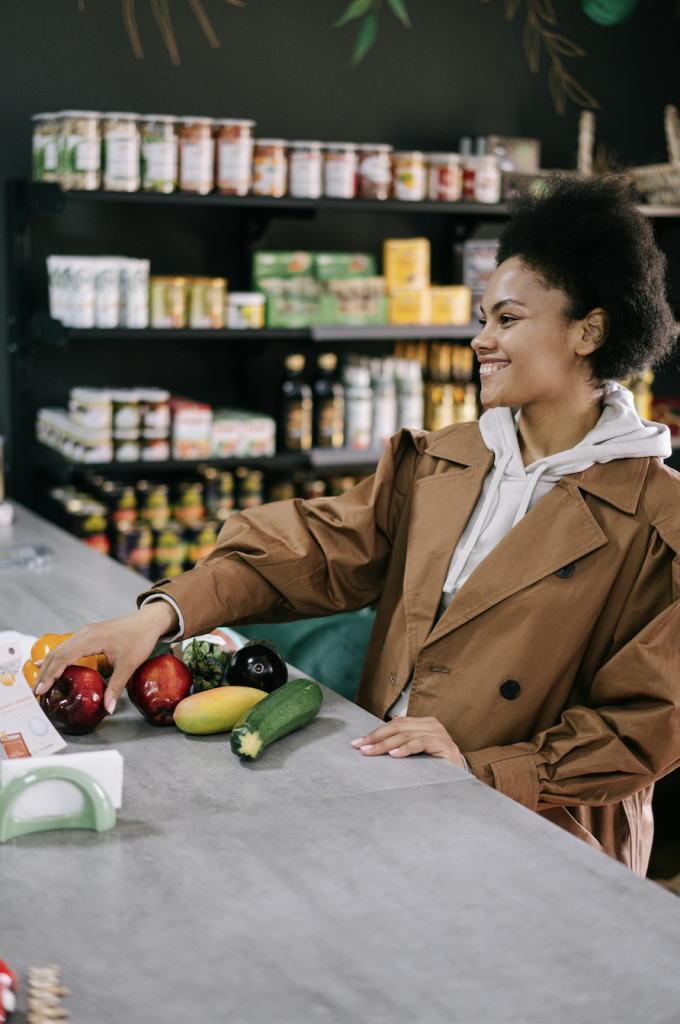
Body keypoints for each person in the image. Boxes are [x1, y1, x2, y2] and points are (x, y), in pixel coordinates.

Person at [36, 174, 680, 875]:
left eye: (507, 319)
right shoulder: (446, 458)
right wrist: (163, 613)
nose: (479, 340)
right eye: (481, 317)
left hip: (539, 836)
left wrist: (483, 766)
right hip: (383, 794)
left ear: (589, 330)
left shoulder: (657, 517)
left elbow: (646, 722)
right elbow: (312, 548)